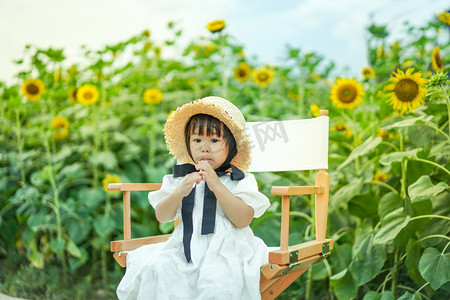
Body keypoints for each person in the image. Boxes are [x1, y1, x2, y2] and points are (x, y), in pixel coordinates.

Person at [117, 96, 270, 299]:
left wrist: (216, 185)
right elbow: (162, 216)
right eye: (197, 140)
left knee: (217, 282)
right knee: (158, 267)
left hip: (227, 249)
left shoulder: (238, 180)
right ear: (188, 144)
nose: (204, 148)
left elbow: (243, 220)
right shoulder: (180, 178)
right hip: (183, 247)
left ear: (232, 146)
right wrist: (179, 191)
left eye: (214, 140)